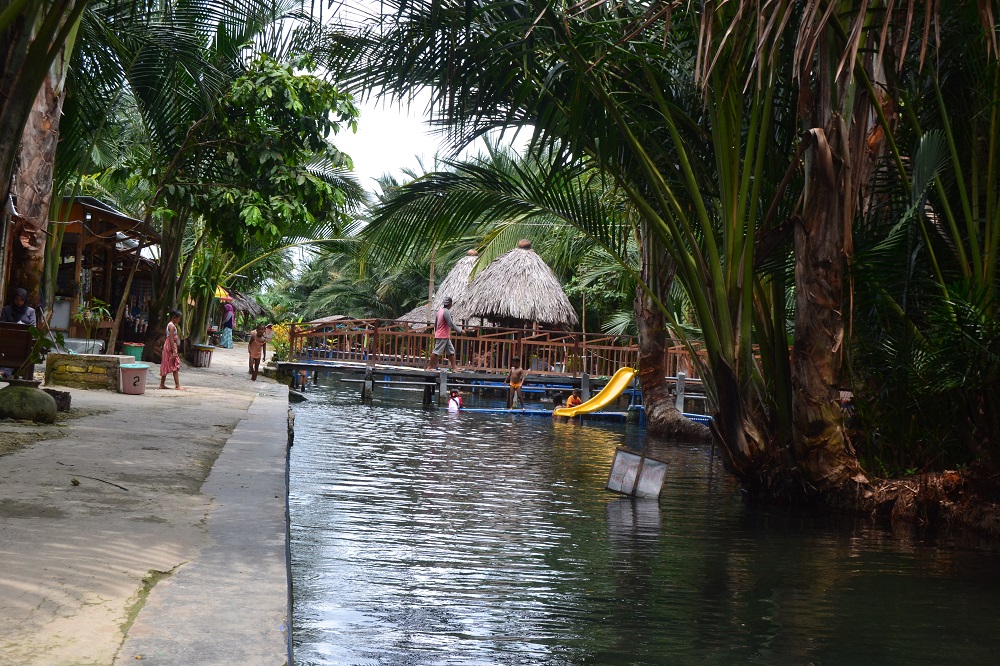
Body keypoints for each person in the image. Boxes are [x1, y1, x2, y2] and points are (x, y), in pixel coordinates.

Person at [427, 296, 462, 370]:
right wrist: (460, 330)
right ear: (450, 304)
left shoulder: (439, 311)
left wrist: (437, 333)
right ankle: (430, 367)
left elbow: (436, 325)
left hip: (444, 335)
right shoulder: (446, 312)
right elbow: (450, 324)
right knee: (436, 351)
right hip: (442, 335)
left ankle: (454, 367)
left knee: (451, 351)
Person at [159, 309, 183, 390]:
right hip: (170, 346)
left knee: (167, 363)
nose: (180, 320)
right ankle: (177, 385)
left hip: (170, 345)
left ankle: (162, 384)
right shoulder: (171, 326)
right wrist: (174, 351)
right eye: (179, 318)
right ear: (174, 317)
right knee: (175, 364)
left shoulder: (171, 325)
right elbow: (171, 339)